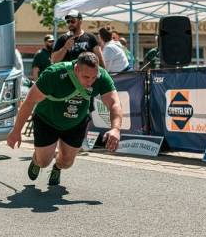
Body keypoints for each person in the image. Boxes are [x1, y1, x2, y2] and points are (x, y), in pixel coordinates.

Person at [7, 52, 122, 186]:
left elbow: (114, 103)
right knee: (44, 161)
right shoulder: (54, 74)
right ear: (76, 69)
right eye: (86, 77)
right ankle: (36, 160)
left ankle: (57, 167)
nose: (90, 81)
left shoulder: (101, 76)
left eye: (93, 77)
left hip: (75, 122)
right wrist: (16, 131)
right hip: (47, 120)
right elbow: (29, 101)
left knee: (66, 163)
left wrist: (115, 129)